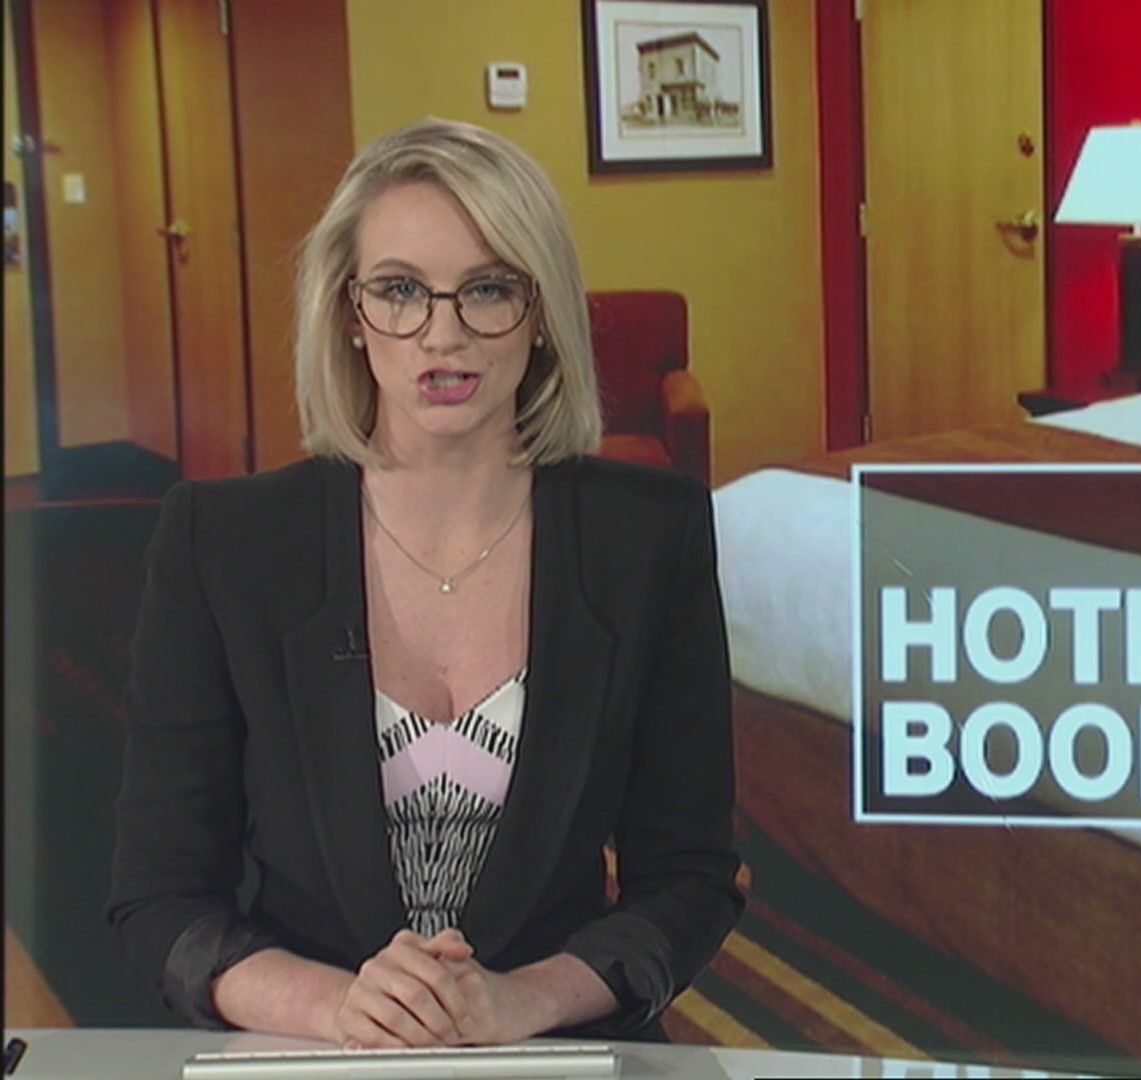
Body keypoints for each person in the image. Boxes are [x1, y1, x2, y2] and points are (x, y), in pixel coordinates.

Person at [106, 118, 742, 1047]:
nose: (444, 334)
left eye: (488, 289)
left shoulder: (651, 534)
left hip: (553, 1046)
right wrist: (337, 1006)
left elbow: (689, 875)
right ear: (350, 314)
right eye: (400, 290)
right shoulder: (224, 542)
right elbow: (161, 900)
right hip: (308, 1047)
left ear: (541, 314)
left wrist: (524, 1000)